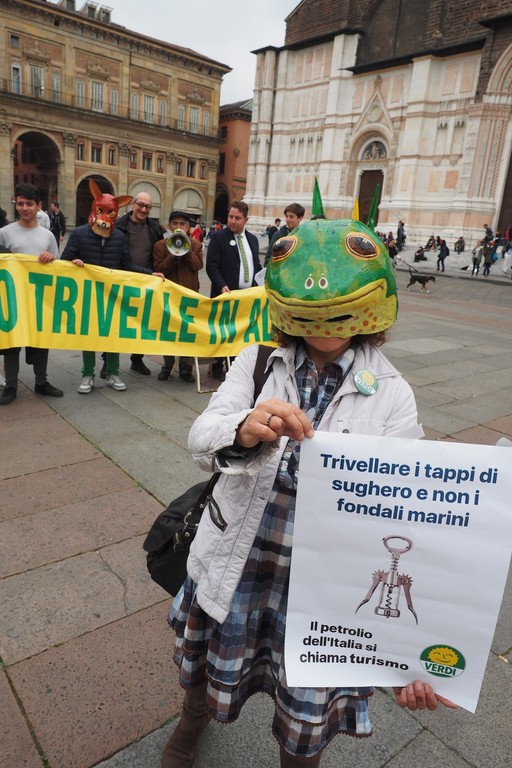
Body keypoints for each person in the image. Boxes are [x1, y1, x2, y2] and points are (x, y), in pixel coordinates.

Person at [161, 218, 457, 768]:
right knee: (205, 670)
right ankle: (190, 725)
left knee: (306, 711)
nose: (324, 316)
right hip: (241, 561)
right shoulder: (255, 362)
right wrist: (245, 428)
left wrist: (413, 654)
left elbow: (409, 514)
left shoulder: (393, 392)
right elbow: (201, 439)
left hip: (324, 587)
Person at [61, 180, 163, 394]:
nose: (106, 216)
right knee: (89, 335)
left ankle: (112, 373)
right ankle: (87, 374)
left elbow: (126, 265)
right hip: (88, 295)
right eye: (101, 210)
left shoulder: (118, 236)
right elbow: (64, 261)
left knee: (114, 334)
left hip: (113, 295)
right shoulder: (79, 234)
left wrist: (149, 274)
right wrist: (74, 263)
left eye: (111, 212)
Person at [0, 183, 63, 405]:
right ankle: (10, 386)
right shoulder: (4, 233)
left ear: (39, 206)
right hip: (12, 299)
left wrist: (50, 259)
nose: (24, 208)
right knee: (11, 343)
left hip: (39, 299)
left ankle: (41, 382)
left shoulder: (48, 236)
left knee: (40, 340)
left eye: (29, 204)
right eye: (20, 204)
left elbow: (58, 267)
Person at [206, 201, 262, 380]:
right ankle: (217, 364)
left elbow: (256, 265)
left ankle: (236, 365)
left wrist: (260, 283)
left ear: (246, 219)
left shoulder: (252, 240)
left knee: (240, 333)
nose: (232, 221)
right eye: (230, 217)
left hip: (246, 297)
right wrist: (221, 285)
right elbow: (212, 266)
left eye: (237, 218)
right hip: (226, 294)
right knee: (223, 332)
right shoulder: (218, 238)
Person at [115, 192, 164, 376]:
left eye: (147, 207)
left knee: (143, 323)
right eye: (140, 205)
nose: (143, 209)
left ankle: (137, 359)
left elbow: (161, 251)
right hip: (122, 280)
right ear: (132, 204)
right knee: (117, 322)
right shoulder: (119, 225)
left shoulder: (155, 228)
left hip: (146, 282)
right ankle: (108, 361)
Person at [153, 211, 204, 383]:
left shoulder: (196, 245)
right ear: (169, 226)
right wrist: (173, 254)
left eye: (182, 224)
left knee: (187, 332)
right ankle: (167, 366)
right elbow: (159, 269)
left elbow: (197, 265)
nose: (178, 227)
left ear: (188, 227)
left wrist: (185, 249)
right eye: (175, 223)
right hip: (169, 295)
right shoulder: (160, 246)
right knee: (168, 331)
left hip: (189, 295)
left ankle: (185, 368)